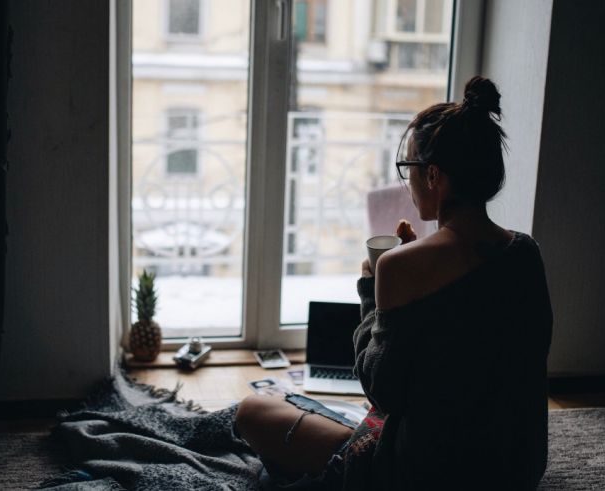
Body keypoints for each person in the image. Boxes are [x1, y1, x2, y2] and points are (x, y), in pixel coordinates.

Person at [231, 75, 553, 490]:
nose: (408, 180)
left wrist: (372, 293)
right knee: (314, 411)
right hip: (516, 469)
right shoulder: (526, 253)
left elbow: (381, 391)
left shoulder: (399, 267)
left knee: (252, 413)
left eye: (410, 168)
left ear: (434, 175)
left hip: (425, 475)